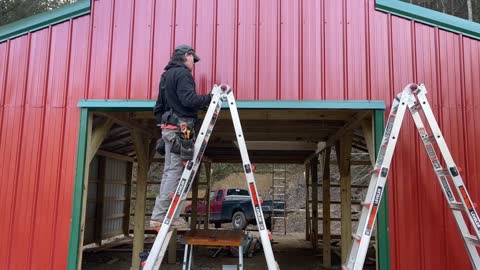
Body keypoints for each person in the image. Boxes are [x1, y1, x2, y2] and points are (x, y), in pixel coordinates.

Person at [151, 45, 212, 228]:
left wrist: (165, 128)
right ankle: (163, 216)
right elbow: (189, 100)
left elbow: (158, 108)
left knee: (170, 171)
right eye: (193, 59)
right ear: (186, 56)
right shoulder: (183, 74)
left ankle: (160, 214)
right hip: (181, 128)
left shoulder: (166, 76)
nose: (194, 63)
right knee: (176, 171)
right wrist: (209, 98)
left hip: (170, 128)